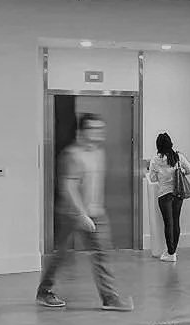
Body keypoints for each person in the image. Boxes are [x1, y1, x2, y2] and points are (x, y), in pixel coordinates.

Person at [37, 112, 133, 311]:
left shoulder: (99, 153)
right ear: (82, 131)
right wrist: (81, 214)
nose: (98, 133)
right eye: (94, 129)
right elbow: (68, 186)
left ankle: (110, 298)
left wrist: (94, 210)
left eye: (101, 129)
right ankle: (45, 291)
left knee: (102, 254)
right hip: (72, 213)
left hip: (96, 213)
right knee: (62, 254)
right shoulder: (72, 155)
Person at [145, 132, 190, 263]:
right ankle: (173, 252)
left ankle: (170, 253)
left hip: (164, 195)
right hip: (177, 194)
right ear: (170, 143)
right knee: (176, 221)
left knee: (168, 223)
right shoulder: (178, 156)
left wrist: (161, 176)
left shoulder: (155, 160)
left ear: (158, 145)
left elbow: (152, 178)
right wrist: (181, 171)